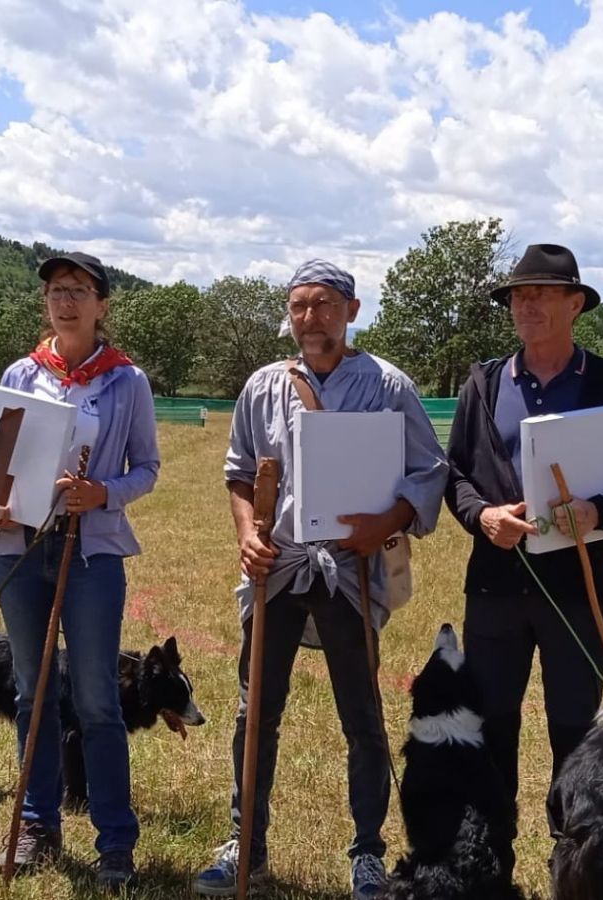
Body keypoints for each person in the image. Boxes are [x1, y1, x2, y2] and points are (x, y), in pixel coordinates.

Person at [193, 259, 448, 899]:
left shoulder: (389, 387)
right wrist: (248, 533)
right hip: (277, 568)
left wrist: (384, 522)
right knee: (257, 713)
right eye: (300, 306)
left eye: (325, 305)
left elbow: (428, 471)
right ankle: (244, 843)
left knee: (362, 717)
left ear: (352, 311)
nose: (311, 318)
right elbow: (239, 473)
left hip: (351, 571)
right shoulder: (262, 386)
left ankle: (367, 853)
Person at [444, 243, 603, 871]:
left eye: (542, 293)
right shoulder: (484, 381)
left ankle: (572, 864)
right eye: (518, 296)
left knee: (575, 733)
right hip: (493, 590)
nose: (527, 304)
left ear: (576, 304)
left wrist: (600, 512)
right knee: (492, 722)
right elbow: (457, 476)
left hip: (577, 591)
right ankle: (490, 861)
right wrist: (481, 515)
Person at [0, 252, 160, 892]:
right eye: (55, 290)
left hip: (92, 552)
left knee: (99, 700)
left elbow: (146, 469)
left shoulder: (126, 381)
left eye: (78, 290)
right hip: (21, 551)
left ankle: (114, 844)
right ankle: (36, 825)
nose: (65, 300)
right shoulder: (22, 373)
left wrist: (102, 493)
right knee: (32, 692)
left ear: (102, 304)